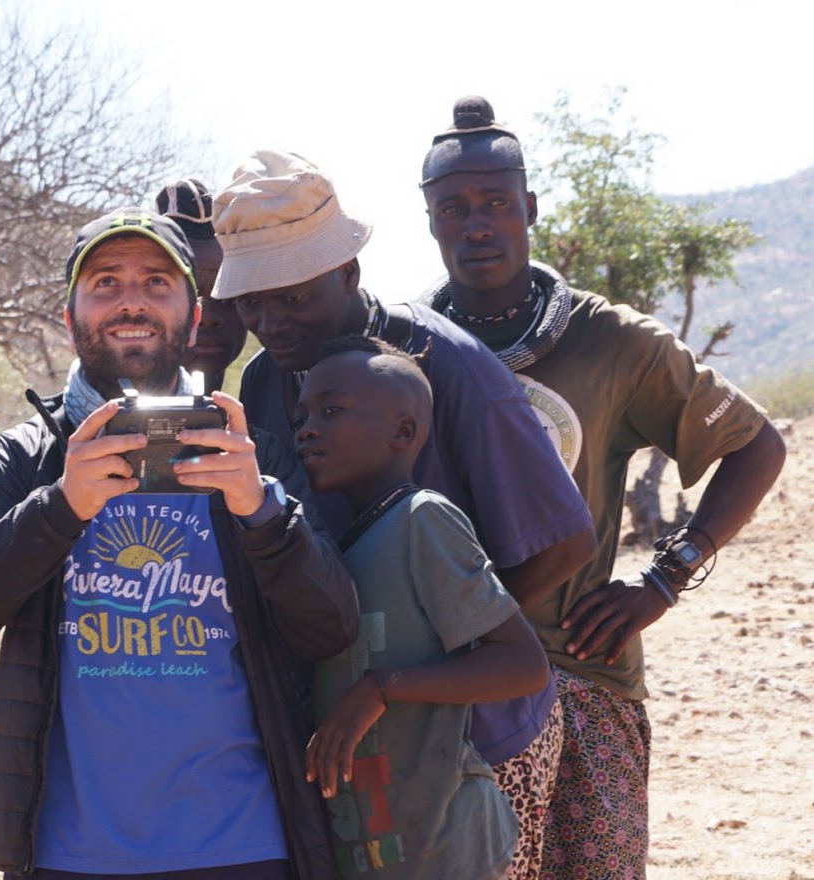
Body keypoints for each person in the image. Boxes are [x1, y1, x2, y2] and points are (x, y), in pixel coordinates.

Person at [0, 208, 359, 880]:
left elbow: (331, 628)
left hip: (242, 846)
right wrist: (59, 507)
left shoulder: (252, 455)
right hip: (68, 853)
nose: (131, 301)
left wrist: (261, 510)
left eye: (157, 282)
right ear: (70, 317)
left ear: (193, 313)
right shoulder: (27, 458)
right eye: (104, 282)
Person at [417, 96, 787, 879]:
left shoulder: (613, 342)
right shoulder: (405, 347)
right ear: (429, 221)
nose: (476, 224)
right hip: (447, 678)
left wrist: (664, 579)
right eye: (454, 208)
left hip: (582, 671)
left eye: (495, 204)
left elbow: (755, 444)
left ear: (530, 208)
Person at [214, 149, 596, 879]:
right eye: (251, 303)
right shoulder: (265, 380)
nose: (271, 320)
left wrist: (444, 647)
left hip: (475, 734)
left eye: (290, 296)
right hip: (359, 735)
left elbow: (563, 538)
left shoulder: (445, 364)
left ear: (348, 274)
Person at [298, 336, 550, 879]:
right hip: (383, 846)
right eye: (303, 415)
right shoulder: (343, 545)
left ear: (404, 431)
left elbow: (522, 664)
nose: (307, 429)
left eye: (331, 410)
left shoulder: (422, 520)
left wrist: (381, 689)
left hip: (446, 839)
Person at [156, 177, 248, 393]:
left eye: (227, 298)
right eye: (188, 297)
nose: (207, 318)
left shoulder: (272, 400)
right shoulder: (89, 417)